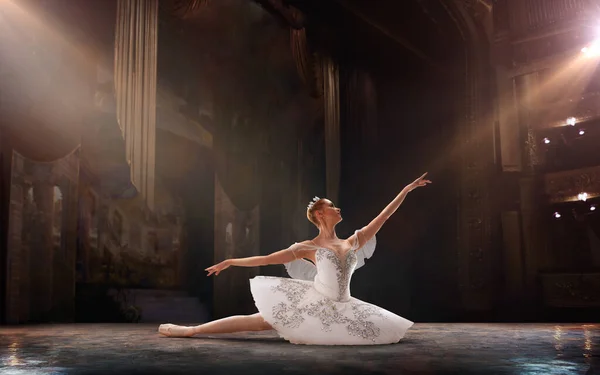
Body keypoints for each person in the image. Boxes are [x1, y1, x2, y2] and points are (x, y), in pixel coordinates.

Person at [159, 173, 431, 345]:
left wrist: (406, 190)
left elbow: (384, 216)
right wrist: (231, 261)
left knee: (380, 332)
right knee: (260, 321)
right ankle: (191, 331)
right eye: (331, 207)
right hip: (315, 299)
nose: (337, 208)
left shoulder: (353, 240)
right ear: (321, 215)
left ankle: (193, 331)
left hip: (344, 304)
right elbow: (266, 259)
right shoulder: (306, 247)